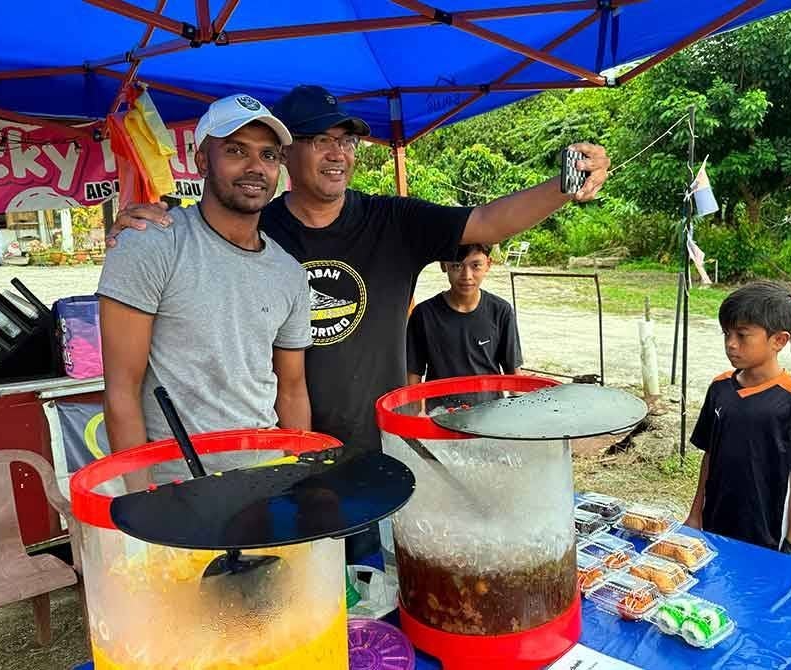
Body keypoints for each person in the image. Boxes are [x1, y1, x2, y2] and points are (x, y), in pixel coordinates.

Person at [110, 84, 610, 555]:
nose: (338, 153)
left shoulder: (390, 223)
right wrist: (143, 218)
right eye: (321, 140)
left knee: (368, 576)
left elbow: (489, 221)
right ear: (293, 155)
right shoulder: (257, 226)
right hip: (272, 459)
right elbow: (203, 232)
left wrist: (565, 185)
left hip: (366, 448)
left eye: (346, 141)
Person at [97, 94, 312, 474]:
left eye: (268, 155)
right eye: (235, 150)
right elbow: (121, 391)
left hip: (267, 476)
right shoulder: (150, 243)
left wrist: (299, 476)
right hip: (179, 486)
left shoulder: (289, 272)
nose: (255, 167)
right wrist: (140, 500)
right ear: (201, 160)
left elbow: (292, 388)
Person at [685, 281, 791, 556]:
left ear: (779, 340)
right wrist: (695, 514)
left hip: (769, 536)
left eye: (742, 335)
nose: (730, 344)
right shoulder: (720, 387)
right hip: (716, 522)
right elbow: (709, 456)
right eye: (726, 334)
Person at [406, 244, 521, 410]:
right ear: (443, 265)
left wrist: (518, 414)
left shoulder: (501, 311)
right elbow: (413, 374)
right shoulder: (424, 314)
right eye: (457, 266)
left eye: (476, 265)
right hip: (441, 412)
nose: (467, 276)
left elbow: (513, 372)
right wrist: (418, 414)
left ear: (488, 264)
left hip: (489, 410)